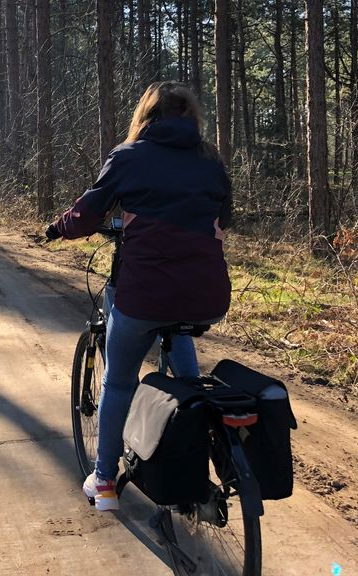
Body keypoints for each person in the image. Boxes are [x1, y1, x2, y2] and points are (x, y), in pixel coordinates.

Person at [45, 82, 233, 511]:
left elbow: (89, 213)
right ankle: (195, 439)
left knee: (119, 381)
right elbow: (225, 216)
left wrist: (59, 228)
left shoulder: (129, 156)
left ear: (145, 116)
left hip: (145, 293)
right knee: (181, 336)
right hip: (207, 294)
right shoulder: (210, 160)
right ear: (192, 118)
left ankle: (106, 480)